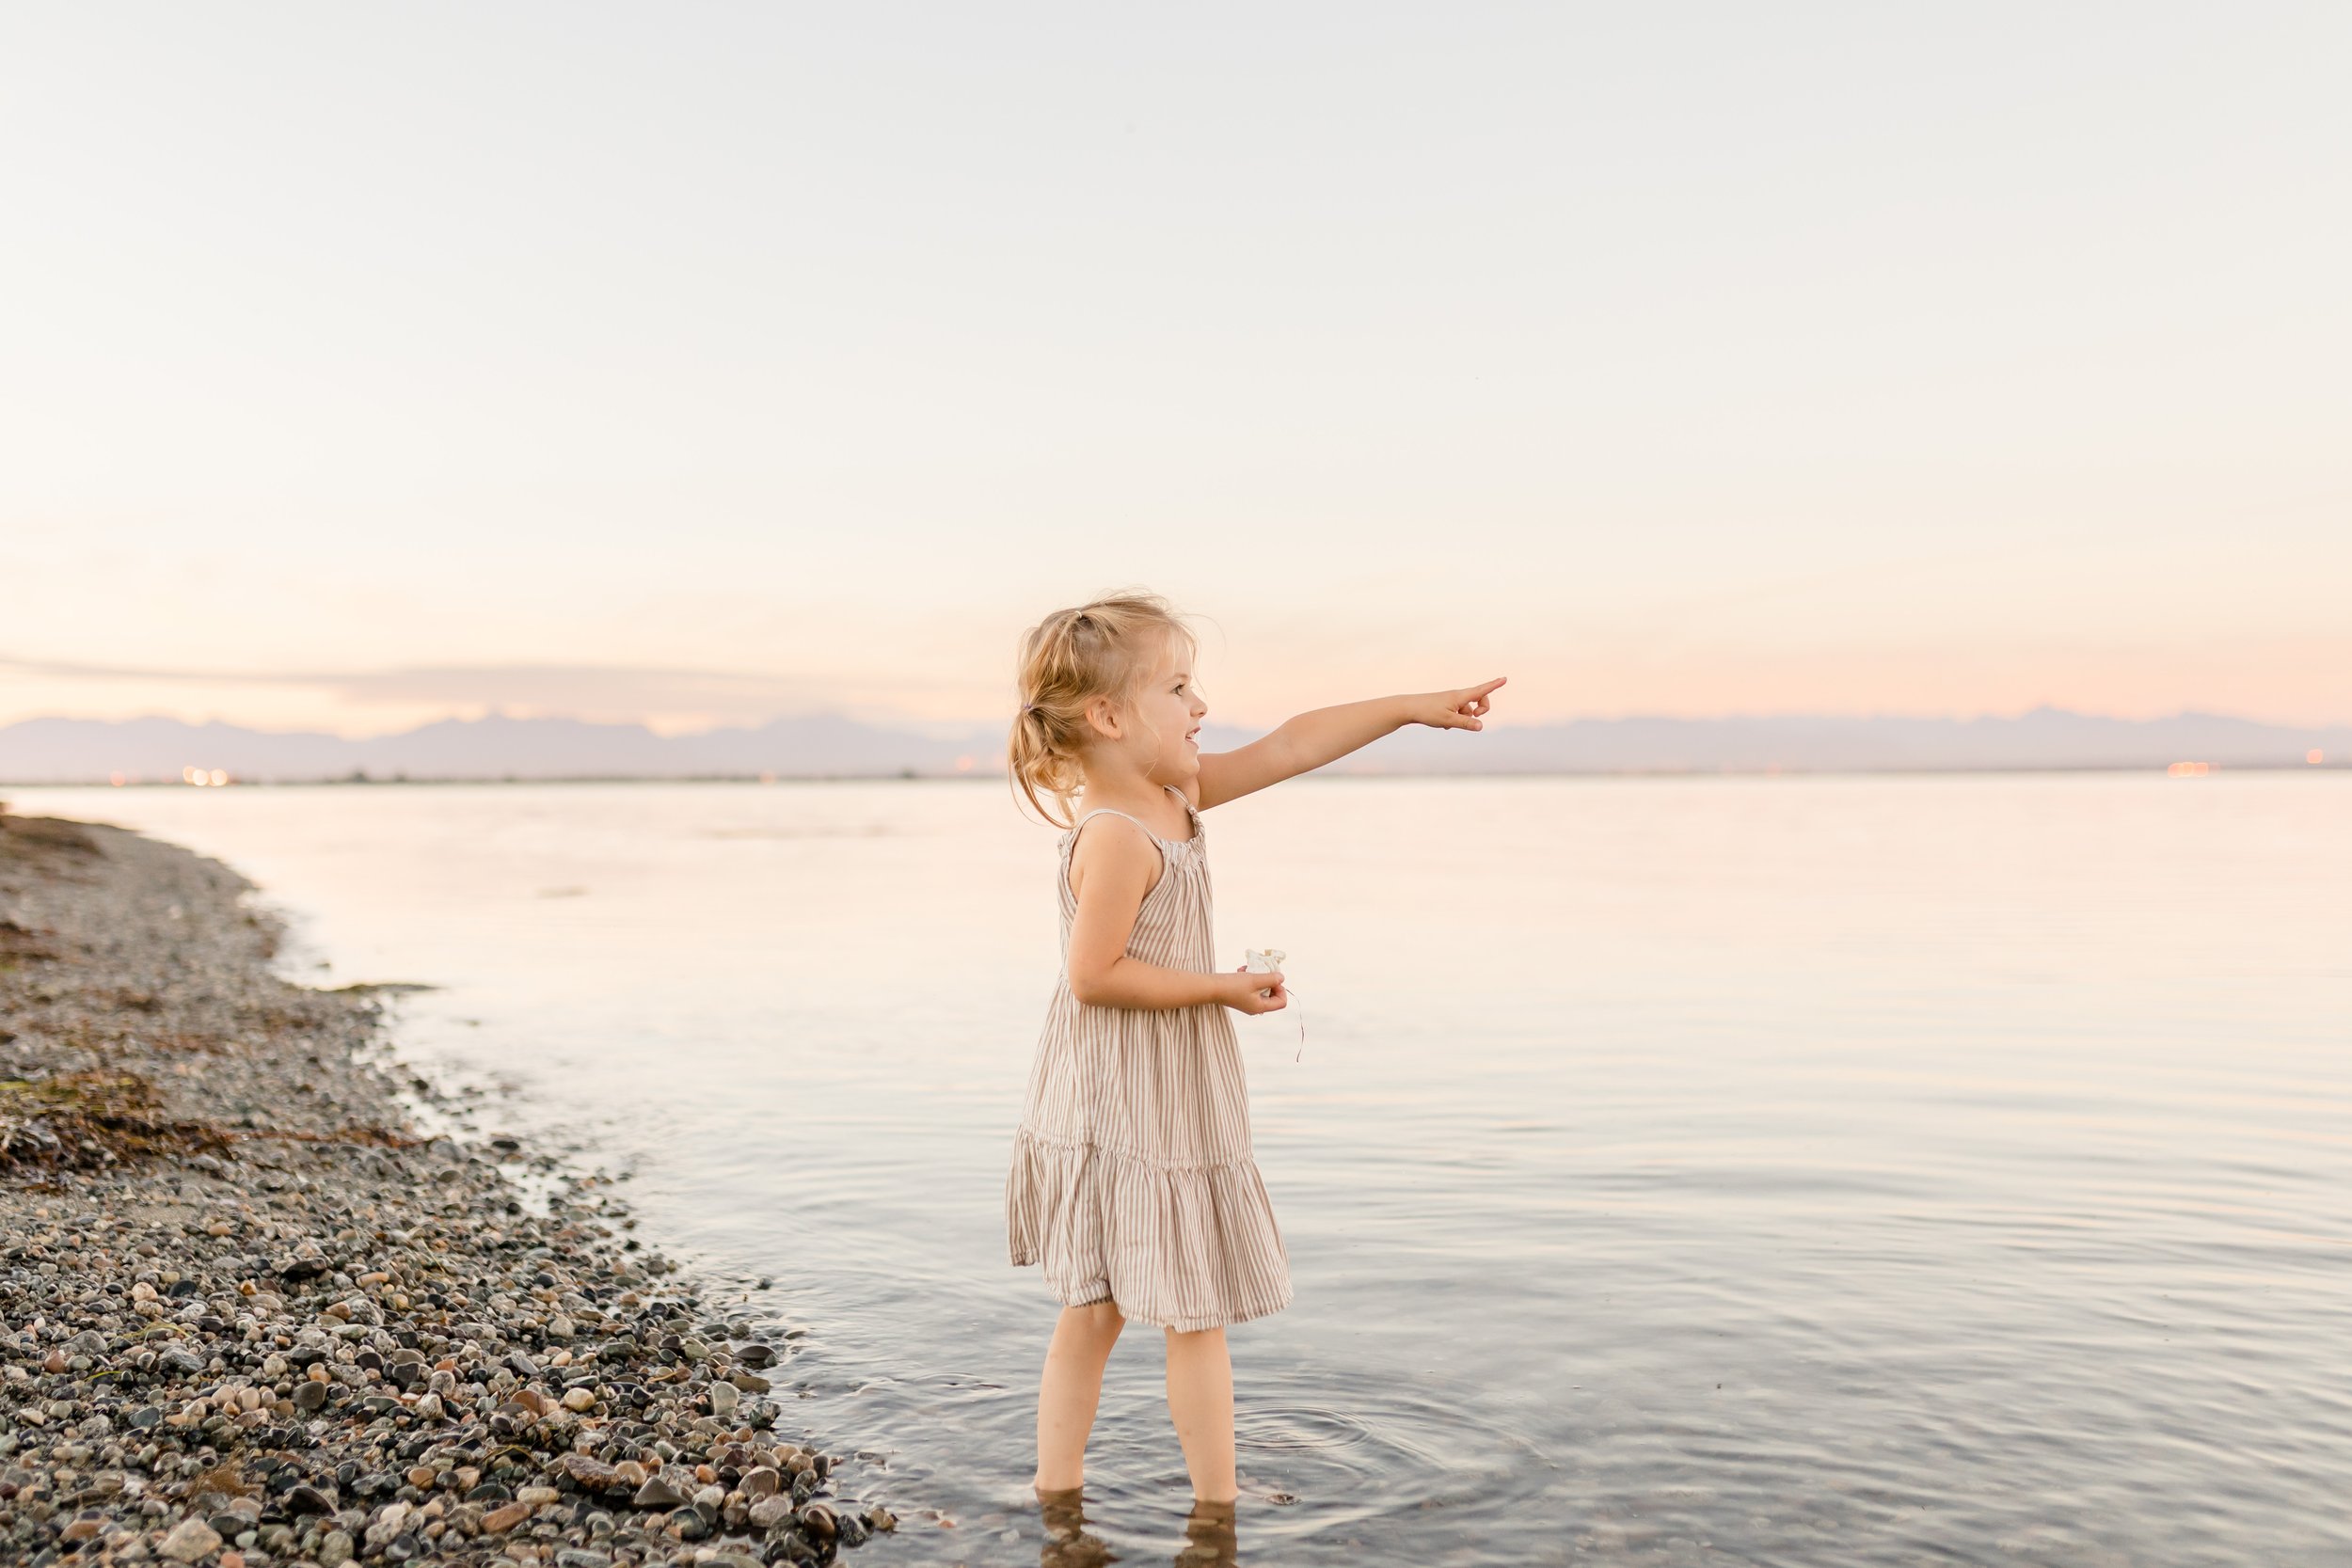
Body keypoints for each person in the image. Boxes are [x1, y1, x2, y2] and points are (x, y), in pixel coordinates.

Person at [1002, 588, 1504, 1505]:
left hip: (1165, 1083)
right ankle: (1150, 1499)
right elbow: (1095, 973)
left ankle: (1129, 1508)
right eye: (1180, 688)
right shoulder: (1116, 835)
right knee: (1115, 1306)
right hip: (1118, 1089)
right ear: (1109, 715)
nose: (1201, 708)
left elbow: (1290, 744)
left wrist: (1405, 707)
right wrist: (1222, 986)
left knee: (1156, 1305)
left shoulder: (1174, 793)